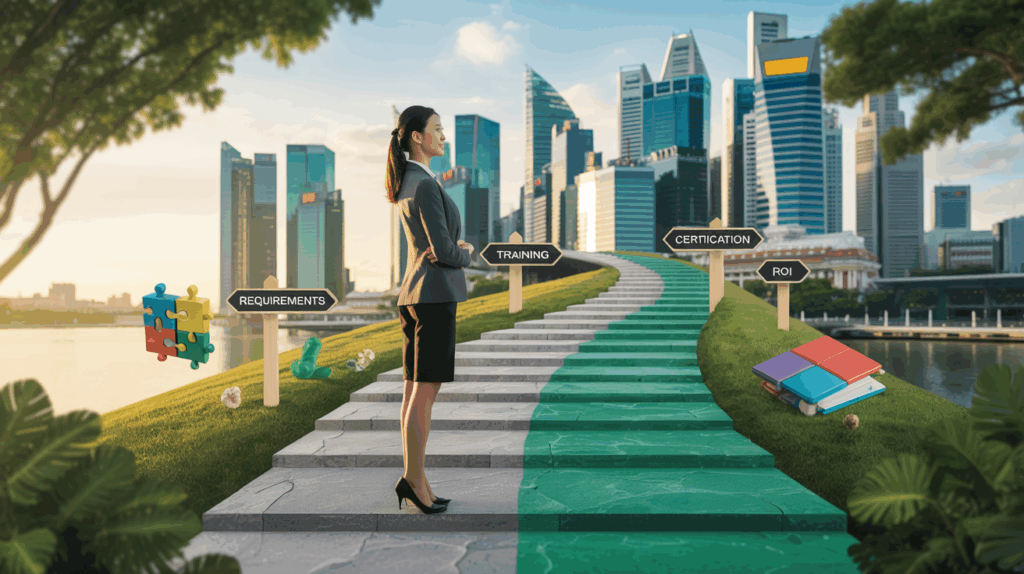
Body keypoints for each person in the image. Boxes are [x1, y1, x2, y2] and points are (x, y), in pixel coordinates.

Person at [385, 105, 475, 514]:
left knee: (412, 392)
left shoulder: (409, 182)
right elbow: (443, 250)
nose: (444, 136)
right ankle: (413, 481)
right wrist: (467, 253)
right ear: (418, 137)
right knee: (424, 393)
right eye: (437, 129)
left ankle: (416, 478)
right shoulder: (423, 185)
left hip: (414, 296)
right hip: (434, 296)